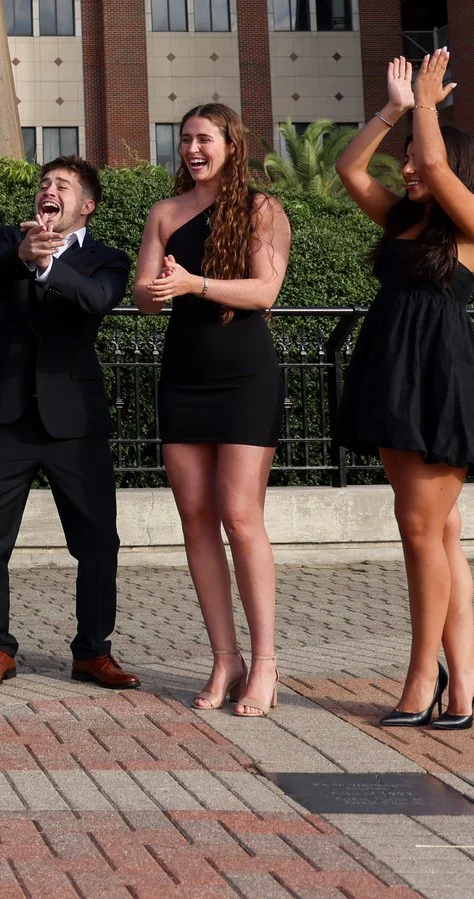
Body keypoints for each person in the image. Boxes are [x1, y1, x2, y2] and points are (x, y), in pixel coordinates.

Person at [335, 51, 474, 731]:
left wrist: (430, 104)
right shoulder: (401, 221)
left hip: (438, 378)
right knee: (440, 532)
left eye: (414, 158)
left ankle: (423, 674)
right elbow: (349, 167)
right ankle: (465, 675)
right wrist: (396, 108)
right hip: (391, 373)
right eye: (402, 158)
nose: (405, 168)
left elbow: (434, 166)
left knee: (419, 529)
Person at [136, 104, 294, 717]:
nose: (192, 149)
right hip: (184, 375)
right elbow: (147, 299)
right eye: (184, 140)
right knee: (196, 515)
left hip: (245, 375)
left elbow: (265, 293)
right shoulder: (165, 213)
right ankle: (224, 658)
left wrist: (195, 283)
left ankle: (266, 662)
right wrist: (158, 288)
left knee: (239, 512)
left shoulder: (261, 209)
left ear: (232, 142)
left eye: (204, 138)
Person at [0, 154, 140, 694]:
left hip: (75, 420)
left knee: (97, 541)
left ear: (85, 206)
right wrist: (23, 254)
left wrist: (49, 266)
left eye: (62, 185)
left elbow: (98, 300)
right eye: (45, 183)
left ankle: (92, 652)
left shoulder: (107, 258)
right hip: (6, 414)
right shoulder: (8, 240)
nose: (49, 189)